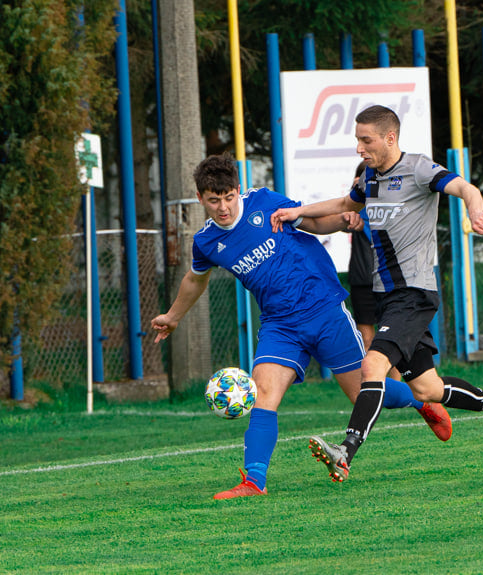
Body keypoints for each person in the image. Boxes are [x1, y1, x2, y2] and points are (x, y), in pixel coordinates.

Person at [150, 153, 452, 500]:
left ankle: (419, 402)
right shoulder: (205, 242)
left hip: (325, 310)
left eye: (228, 197)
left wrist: (343, 221)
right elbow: (194, 280)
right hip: (280, 325)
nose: (223, 208)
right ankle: (254, 481)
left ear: (237, 190)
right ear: (201, 198)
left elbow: (311, 222)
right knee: (264, 393)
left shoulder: (263, 202)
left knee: (365, 393)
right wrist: (172, 316)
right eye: (214, 201)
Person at [271, 105, 483, 483]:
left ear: (390, 138)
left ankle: (345, 451)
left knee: (372, 366)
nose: (359, 147)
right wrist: (297, 212)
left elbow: (464, 188)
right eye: (357, 139)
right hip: (388, 296)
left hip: (414, 292)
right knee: (428, 388)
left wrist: (475, 209)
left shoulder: (419, 168)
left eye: (365, 140)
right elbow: (343, 205)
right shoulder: (369, 178)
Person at [347, 162, 400, 381]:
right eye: (360, 179)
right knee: (366, 339)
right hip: (361, 280)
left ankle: (397, 388)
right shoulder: (353, 210)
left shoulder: (388, 206)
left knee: (391, 338)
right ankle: (375, 387)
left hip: (388, 280)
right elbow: (339, 219)